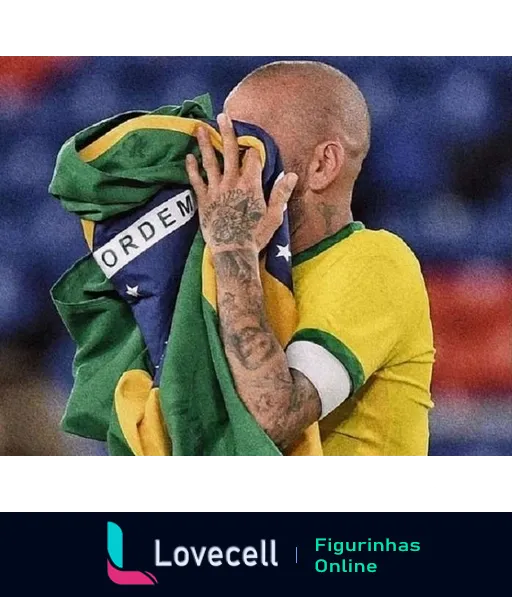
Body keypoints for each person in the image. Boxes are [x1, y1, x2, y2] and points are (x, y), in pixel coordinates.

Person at [185, 60, 435, 456]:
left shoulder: (376, 262)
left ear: (322, 166)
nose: (227, 167)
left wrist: (232, 249)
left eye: (249, 147)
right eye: (224, 145)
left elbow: (271, 420)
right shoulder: (229, 266)